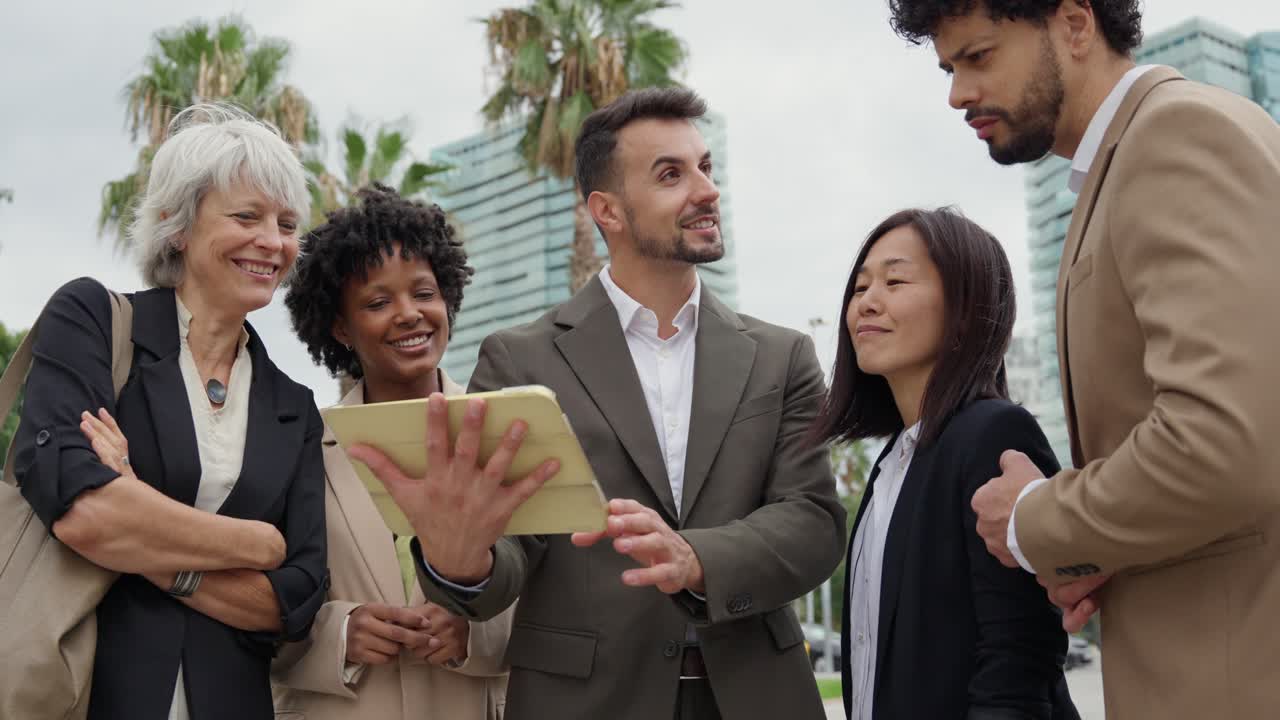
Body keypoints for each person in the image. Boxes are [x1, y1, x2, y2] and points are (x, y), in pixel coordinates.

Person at [348, 87, 846, 720]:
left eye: (706, 167)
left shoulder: (783, 355)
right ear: (606, 211)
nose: (706, 190)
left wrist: (697, 559)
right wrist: (459, 558)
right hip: (584, 701)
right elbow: (507, 560)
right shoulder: (519, 359)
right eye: (672, 174)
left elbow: (814, 522)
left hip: (758, 696)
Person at [887, 0, 1280, 716]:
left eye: (978, 57)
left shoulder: (1175, 137)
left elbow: (1225, 445)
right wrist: (1099, 547)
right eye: (948, 69)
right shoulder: (1122, 167)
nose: (956, 94)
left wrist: (1035, 520)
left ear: (1074, 24)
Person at [10, 103, 328, 719]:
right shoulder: (93, 323)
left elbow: (295, 600)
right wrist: (257, 543)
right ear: (176, 224)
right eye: (247, 216)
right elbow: (83, 514)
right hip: (83, 695)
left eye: (287, 223)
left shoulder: (295, 406)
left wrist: (143, 527)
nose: (273, 240)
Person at [810, 208, 1077, 720]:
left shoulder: (993, 434)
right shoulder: (893, 461)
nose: (867, 302)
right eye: (860, 287)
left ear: (965, 310)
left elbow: (1019, 655)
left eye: (895, 280)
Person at [273, 184, 512, 720]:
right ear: (340, 327)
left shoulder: (507, 434)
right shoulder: (301, 450)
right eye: (378, 302)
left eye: (424, 293)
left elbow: (559, 605)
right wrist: (339, 634)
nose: (409, 314)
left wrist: (475, 632)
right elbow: (257, 613)